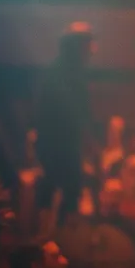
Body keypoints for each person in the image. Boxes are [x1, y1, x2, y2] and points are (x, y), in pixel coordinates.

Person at [34, 24, 95, 231]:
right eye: (87, 45)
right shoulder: (58, 75)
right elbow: (72, 112)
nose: (91, 51)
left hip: (64, 144)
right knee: (58, 188)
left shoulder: (70, 73)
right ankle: (50, 237)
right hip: (57, 145)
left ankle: (61, 234)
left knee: (67, 189)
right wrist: (88, 139)